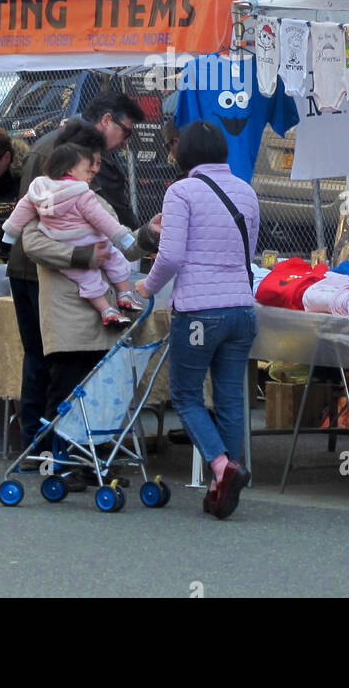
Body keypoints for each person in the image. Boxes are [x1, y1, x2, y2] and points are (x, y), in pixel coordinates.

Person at [5, 94, 149, 447]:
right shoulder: (54, 166)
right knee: (52, 368)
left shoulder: (81, 166)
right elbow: (33, 235)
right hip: (44, 280)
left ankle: (70, 452)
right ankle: (43, 451)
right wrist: (85, 257)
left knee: (72, 371)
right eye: (94, 163)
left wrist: (142, 239)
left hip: (73, 283)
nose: (98, 167)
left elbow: (112, 226)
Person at [135, 120, 260, 520]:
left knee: (186, 396)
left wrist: (147, 287)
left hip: (199, 312)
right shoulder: (247, 190)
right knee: (230, 398)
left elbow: (170, 257)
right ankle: (220, 484)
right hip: (242, 309)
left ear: (182, 153)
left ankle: (222, 466)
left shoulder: (181, 192)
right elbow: (248, 250)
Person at [2, 143, 138, 329]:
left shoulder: (39, 190)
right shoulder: (81, 194)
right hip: (91, 242)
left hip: (62, 243)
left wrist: (10, 233)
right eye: (87, 168)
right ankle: (125, 295)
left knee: (88, 279)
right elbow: (102, 219)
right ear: (70, 169)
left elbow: (21, 211)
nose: (92, 171)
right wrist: (122, 236)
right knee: (116, 260)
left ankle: (106, 310)